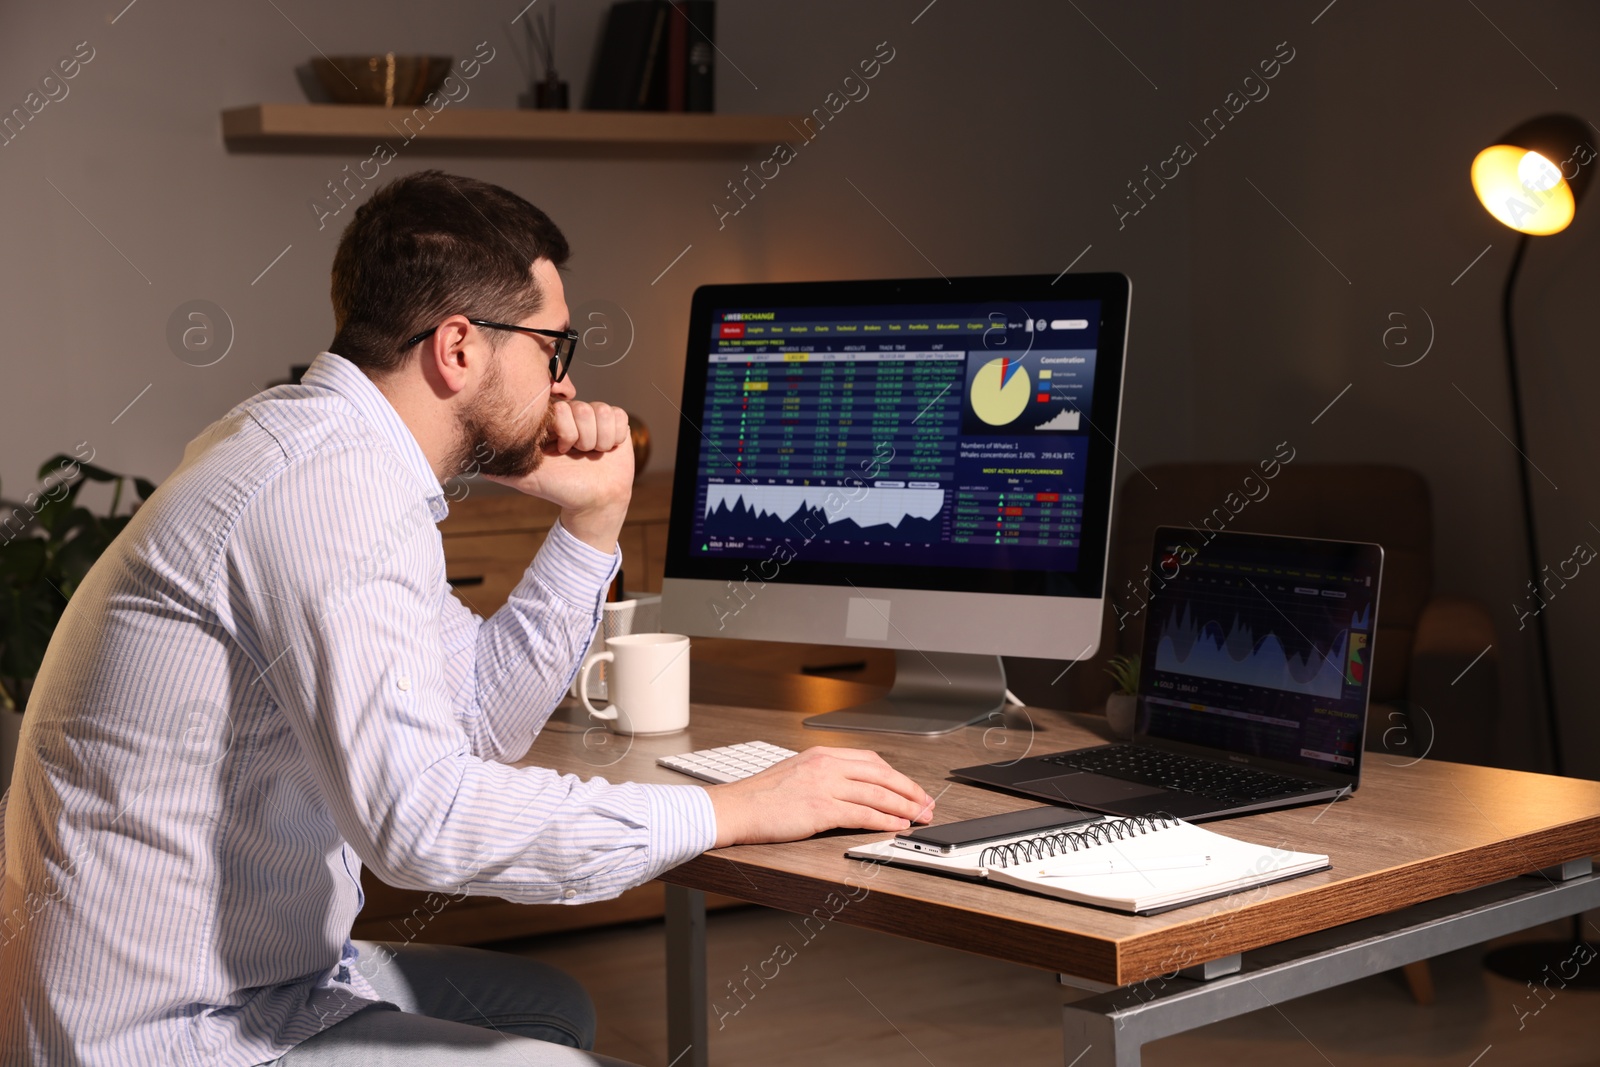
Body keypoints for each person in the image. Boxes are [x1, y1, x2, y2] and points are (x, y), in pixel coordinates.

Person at [0, 170, 935, 1066]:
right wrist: (730, 809)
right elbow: (421, 822)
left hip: (253, 978)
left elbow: (479, 721)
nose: (567, 386)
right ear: (459, 348)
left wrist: (593, 518)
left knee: (549, 1007)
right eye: (553, 349)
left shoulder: (325, 449)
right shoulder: (331, 492)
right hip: (172, 1031)